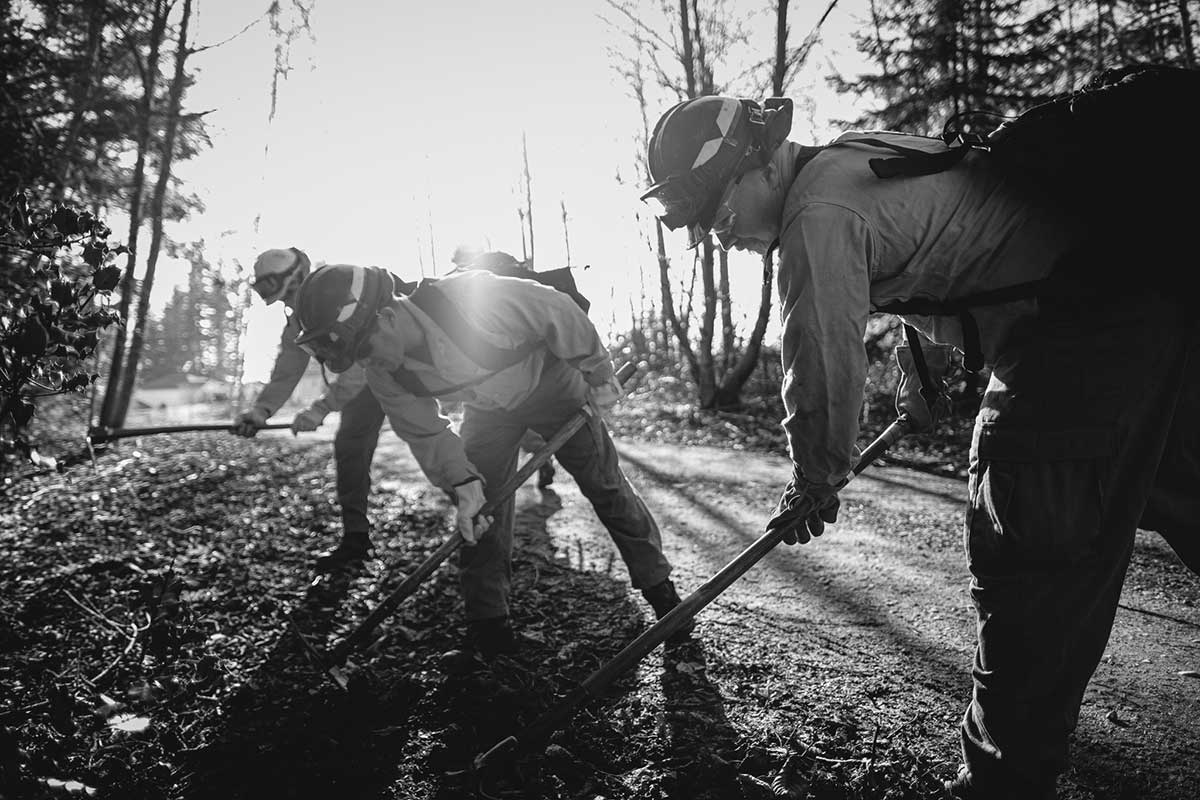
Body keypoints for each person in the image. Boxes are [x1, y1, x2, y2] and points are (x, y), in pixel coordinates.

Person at [638, 94, 1199, 799]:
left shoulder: (815, 213)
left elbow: (821, 352)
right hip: (1149, 303)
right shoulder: (848, 162)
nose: (723, 239)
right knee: (1178, 485)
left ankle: (1002, 784)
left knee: (1024, 529)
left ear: (761, 165)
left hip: (1086, 328)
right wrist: (925, 372)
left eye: (719, 215)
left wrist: (815, 474)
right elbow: (942, 244)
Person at [290, 262, 691, 657]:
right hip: (489, 410)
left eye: (364, 350)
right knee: (480, 515)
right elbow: (426, 432)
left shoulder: (471, 299)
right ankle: (489, 630)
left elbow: (557, 310)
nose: (366, 365)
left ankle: (664, 596)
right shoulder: (384, 372)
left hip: (553, 387)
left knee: (603, 484)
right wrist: (463, 485)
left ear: (389, 316)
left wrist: (598, 372)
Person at [232, 247, 390, 572]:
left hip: (390, 370)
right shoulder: (295, 322)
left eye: (290, 294)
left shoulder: (339, 294)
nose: (289, 304)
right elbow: (288, 369)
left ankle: (475, 505)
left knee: (432, 444)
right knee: (349, 449)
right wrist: (261, 410)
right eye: (283, 299)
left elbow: (358, 368)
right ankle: (356, 539)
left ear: (299, 277)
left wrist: (321, 409)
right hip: (365, 383)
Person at [449, 247, 556, 489]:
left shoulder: (483, 280)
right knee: (517, 431)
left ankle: (542, 460)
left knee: (509, 429)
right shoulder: (493, 274)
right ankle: (542, 459)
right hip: (516, 382)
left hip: (504, 384)